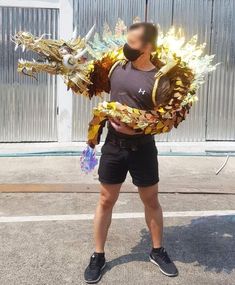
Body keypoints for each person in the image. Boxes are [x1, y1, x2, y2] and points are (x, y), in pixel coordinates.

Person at [84, 22, 178, 284]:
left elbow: (165, 118)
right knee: (105, 200)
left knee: (151, 200)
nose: (127, 46)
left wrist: (137, 121)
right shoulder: (116, 65)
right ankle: (98, 255)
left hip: (143, 149)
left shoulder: (160, 79)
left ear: (147, 47)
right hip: (114, 146)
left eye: (133, 43)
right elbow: (87, 79)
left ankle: (157, 251)